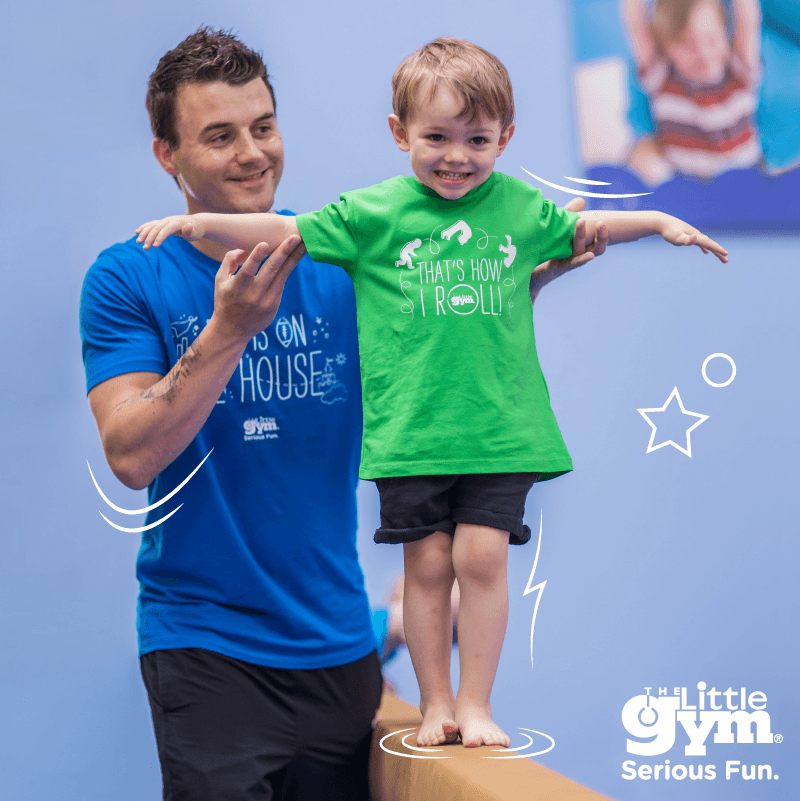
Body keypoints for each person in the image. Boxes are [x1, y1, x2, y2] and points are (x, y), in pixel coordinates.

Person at [136, 36, 727, 751]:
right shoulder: (374, 216)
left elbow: (585, 227)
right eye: (438, 138)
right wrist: (199, 223)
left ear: (505, 137)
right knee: (426, 564)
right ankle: (436, 704)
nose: (457, 157)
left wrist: (659, 223)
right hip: (413, 435)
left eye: (477, 140)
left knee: (480, 559)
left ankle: (475, 702)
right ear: (400, 133)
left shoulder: (518, 208)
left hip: (500, 430)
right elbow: (286, 231)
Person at [81, 28, 605, 799]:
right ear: (168, 154)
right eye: (220, 136)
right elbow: (131, 456)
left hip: (338, 650)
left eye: (263, 127)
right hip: (208, 648)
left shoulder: (343, 260)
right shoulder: (128, 276)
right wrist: (228, 332)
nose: (252, 154)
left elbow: (439, 355)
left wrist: (520, 283)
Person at [623, 0, 762, 185]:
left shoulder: (739, 70)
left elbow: (748, 20)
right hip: (686, 186)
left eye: (712, 39)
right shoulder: (661, 77)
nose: (703, 53)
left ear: (725, 32)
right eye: (687, 45)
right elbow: (635, 22)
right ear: (665, 47)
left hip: (747, 179)